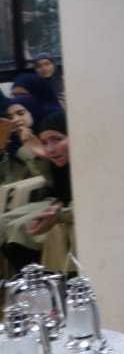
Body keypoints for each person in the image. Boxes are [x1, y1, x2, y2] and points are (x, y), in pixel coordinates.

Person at [1, 110, 72, 272]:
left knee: (20, 230)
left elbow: (40, 178)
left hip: (61, 203)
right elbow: (55, 184)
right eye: (45, 142)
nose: (50, 148)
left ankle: (37, 281)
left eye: (57, 139)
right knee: (3, 223)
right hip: (56, 199)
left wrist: (31, 153)